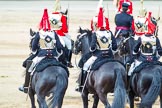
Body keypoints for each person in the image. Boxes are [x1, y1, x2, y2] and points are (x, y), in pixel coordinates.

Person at [76, 0, 117, 92]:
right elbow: (114, 46)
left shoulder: (94, 22)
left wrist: (93, 48)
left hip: (97, 49)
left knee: (86, 65)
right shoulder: (108, 28)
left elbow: (92, 43)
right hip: (108, 50)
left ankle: (82, 85)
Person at [19, 8, 64, 93]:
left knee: (30, 68)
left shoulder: (39, 33)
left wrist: (34, 52)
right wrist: (58, 54)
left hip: (41, 56)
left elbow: (34, 46)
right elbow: (59, 46)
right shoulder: (54, 33)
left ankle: (26, 86)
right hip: (53, 56)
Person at [49, 0, 73, 68]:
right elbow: (64, 29)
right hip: (60, 35)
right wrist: (67, 34)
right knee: (69, 46)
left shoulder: (49, 16)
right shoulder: (62, 16)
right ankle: (68, 61)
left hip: (51, 34)